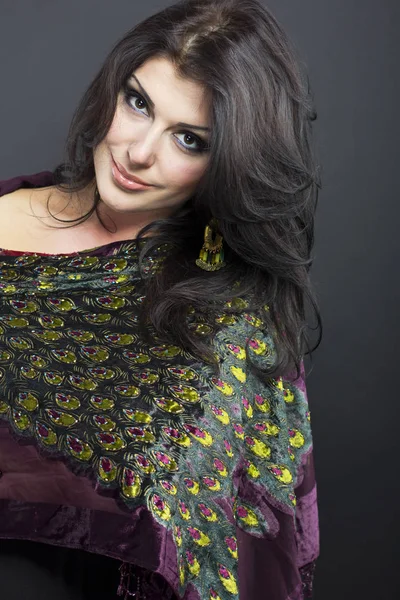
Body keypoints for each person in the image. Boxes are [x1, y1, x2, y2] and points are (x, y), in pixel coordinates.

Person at [0, 0, 321, 598]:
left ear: (226, 160)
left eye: (189, 139)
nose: (140, 151)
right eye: (138, 102)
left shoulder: (228, 316)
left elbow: (239, 553)